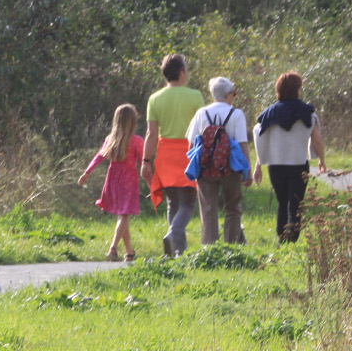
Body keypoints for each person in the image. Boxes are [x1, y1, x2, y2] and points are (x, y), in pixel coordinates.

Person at [139, 53, 204, 257]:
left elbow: (151, 134)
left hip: (165, 154)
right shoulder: (195, 96)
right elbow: (203, 129)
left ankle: (178, 251)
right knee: (188, 202)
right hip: (188, 152)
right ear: (182, 73)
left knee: (172, 202)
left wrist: (145, 161)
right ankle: (173, 236)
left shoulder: (155, 98)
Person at [253, 71, 327, 242]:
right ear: (298, 89)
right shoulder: (307, 113)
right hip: (298, 165)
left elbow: (261, 139)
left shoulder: (269, 114)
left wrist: (258, 165)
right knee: (295, 203)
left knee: (282, 201)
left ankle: (282, 236)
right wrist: (322, 160)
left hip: (275, 166)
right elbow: (316, 140)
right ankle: (291, 238)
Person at [186, 76, 253, 245]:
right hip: (231, 167)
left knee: (208, 209)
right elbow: (243, 144)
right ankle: (231, 247)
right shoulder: (236, 114)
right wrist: (248, 171)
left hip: (206, 167)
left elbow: (191, 144)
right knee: (232, 207)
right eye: (234, 94)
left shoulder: (202, 113)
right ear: (228, 94)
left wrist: (195, 167)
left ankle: (210, 248)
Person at [78, 104, 143, 262]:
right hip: (129, 181)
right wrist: (152, 181)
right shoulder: (137, 141)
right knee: (124, 215)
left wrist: (87, 172)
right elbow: (143, 163)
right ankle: (113, 248)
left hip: (113, 180)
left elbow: (98, 157)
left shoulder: (110, 140)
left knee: (123, 215)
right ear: (133, 121)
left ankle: (129, 252)